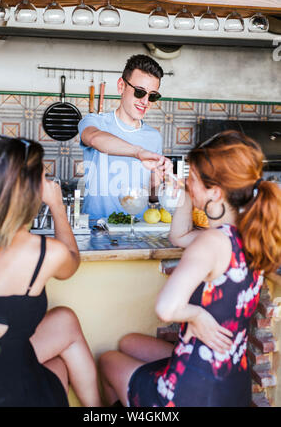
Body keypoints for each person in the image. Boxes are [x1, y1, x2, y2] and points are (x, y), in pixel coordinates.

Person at [98, 130, 281, 407]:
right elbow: (180, 237)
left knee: (108, 360)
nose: (187, 182)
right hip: (230, 381)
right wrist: (186, 192)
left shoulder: (210, 242)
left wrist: (196, 314)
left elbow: (167, 309)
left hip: (188, 391)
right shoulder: (252, 235)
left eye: (192, 178)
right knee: (129, 342)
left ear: (216, 192)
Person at [0, 134, 102, 407]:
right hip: (12, 393)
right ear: (31, 189)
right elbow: (71, 261)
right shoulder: (44, 254)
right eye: (44, 177)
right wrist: (57, 206)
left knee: (64, 321)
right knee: (59, 364)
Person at [78, 54, 172, 220]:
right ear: (121, 86)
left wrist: (159, 185)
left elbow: (152, 197)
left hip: (135, 231)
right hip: (97, 230)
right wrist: (138, 152)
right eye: (139, 92)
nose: (145, 101)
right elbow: (94, 139)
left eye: (152, 96)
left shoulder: (154, 137)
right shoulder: (94, 122)